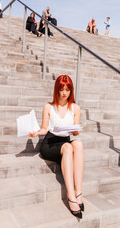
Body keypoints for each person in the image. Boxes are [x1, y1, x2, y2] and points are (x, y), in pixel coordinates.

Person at [29, 75, 84, 219]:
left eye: (67, 89)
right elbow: (44, 129)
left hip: (65, 139)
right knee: (67, 147)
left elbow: (76, 131)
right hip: (50, 143)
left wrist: (73, 129)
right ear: (57, 90)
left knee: (77, 144)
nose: (64, 92)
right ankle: (70, 195)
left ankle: (78, 192)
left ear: (71, 91)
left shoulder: (75, 108)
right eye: (62, 89)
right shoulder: (49, 107)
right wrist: (36, 133)